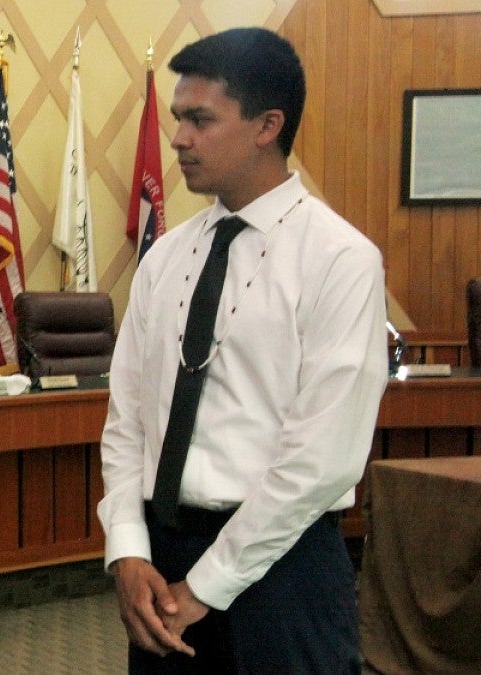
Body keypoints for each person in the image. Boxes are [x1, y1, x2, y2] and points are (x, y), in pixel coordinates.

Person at [98, 27, 388, 673]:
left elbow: (321, 462)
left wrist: (206, 585)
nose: (178, 138)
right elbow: (126, 424)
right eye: (177, 118)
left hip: (284, 575)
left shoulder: (339, 259)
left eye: (200, 119)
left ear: (267, 125)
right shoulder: (164, 258)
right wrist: (127, 547)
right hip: (161, 565)